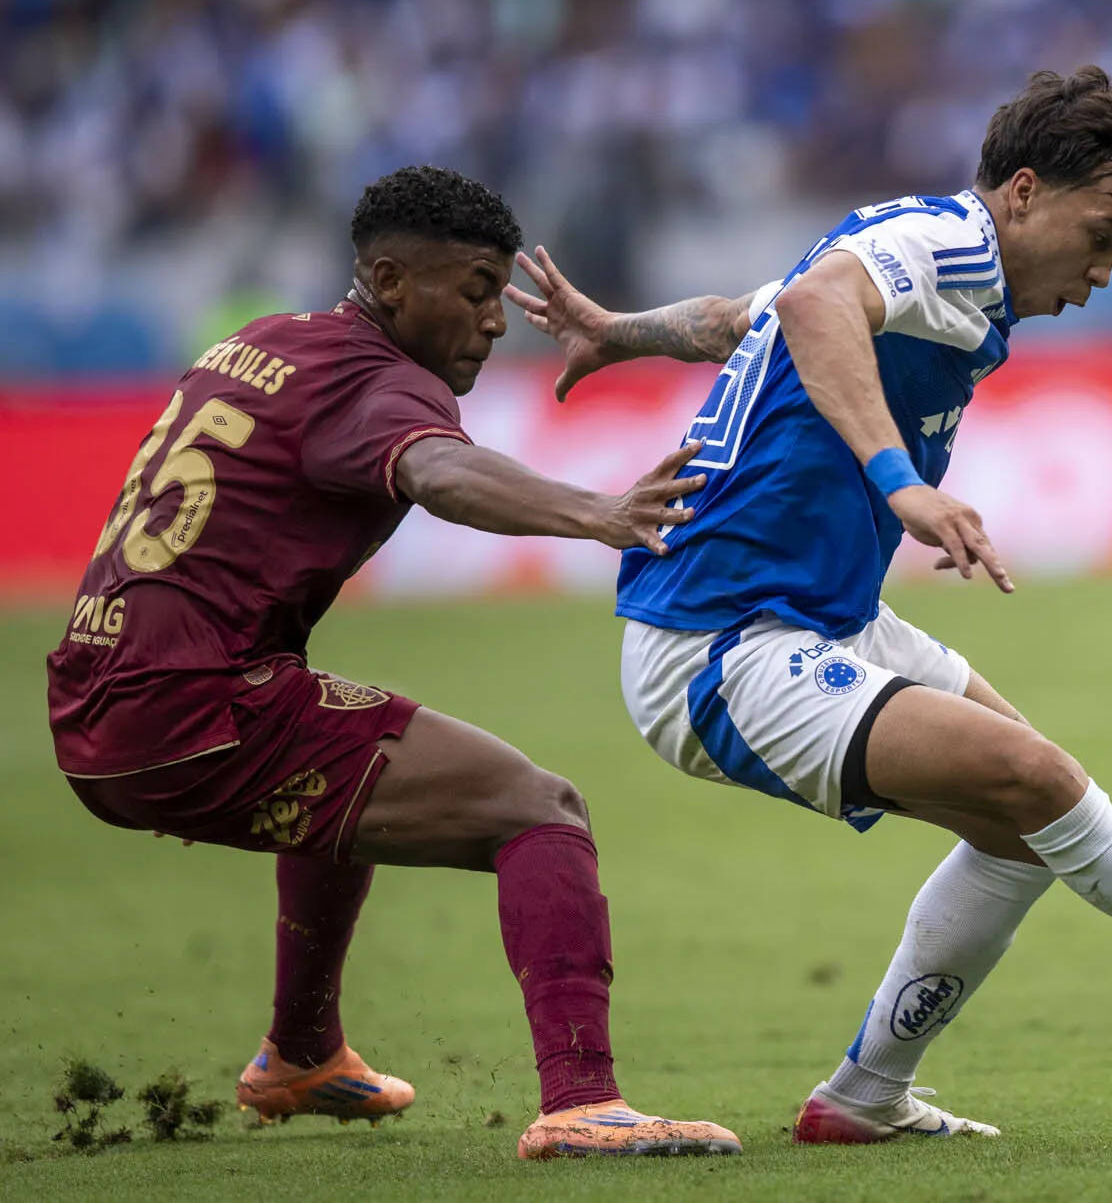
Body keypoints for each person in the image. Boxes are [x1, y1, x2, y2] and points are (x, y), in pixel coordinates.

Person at [510, 68, 1112, 1145]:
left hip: (811, 615)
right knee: (1039, 781)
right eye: (1098, 232)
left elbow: (748, 315)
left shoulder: (923, 256)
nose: (1104, 271)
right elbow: (814, 304)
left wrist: (619, 332)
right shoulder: (949, 244)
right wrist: (899, 482)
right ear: (1020, 193)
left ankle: (864, 1096)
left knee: (1024, 824)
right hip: (719, 638)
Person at [45, 166, 747, 1161]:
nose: (494, 321)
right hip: (194, 707)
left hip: (94, 700)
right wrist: (596, 512)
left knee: (358, 745)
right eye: (471, 291)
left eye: (498, 294)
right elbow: (437, 470)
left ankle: (300, 1054)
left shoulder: (261, 343)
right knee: (540, 808)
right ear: (386, 279)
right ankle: (583, 1102)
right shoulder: (381, 381)